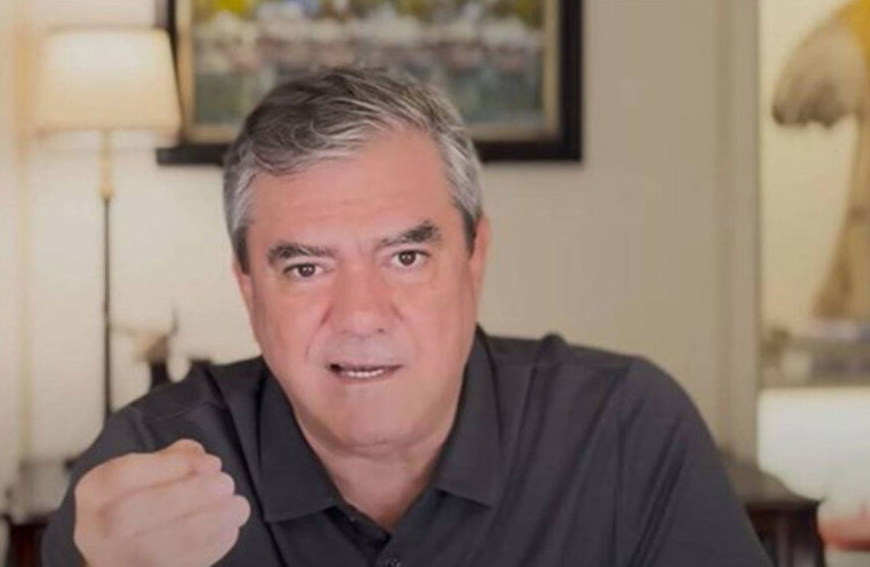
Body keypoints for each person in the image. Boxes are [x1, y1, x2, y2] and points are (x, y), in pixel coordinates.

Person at [41, 67, 770, 566]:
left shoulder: (625, 433)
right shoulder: (147, 466)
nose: (360, 316)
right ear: (248, 288)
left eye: (406, 257)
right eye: (306, 268)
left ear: (474, 260)